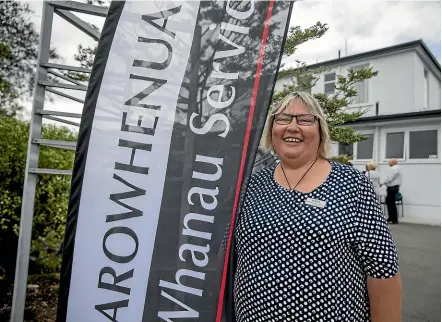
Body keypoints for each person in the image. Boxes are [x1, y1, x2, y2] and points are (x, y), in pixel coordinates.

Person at [228, 92, 402, 322]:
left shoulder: (352, 184)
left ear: (320, 131)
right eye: (282, 119)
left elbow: (383, 270)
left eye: (305, 120)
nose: (292, 127)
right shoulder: (251, 185)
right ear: (272, 130)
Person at [382, 158, 402, 224]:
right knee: (389, 202)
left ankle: (394, 219)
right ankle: (391, 217)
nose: (388, 163)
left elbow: (390, 177)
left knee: (391, 203)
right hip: (394, 187)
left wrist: (383, 182)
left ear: (393, 162)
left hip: (392, 187)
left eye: (390, 162)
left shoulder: (394, 168)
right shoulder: (397, 168)